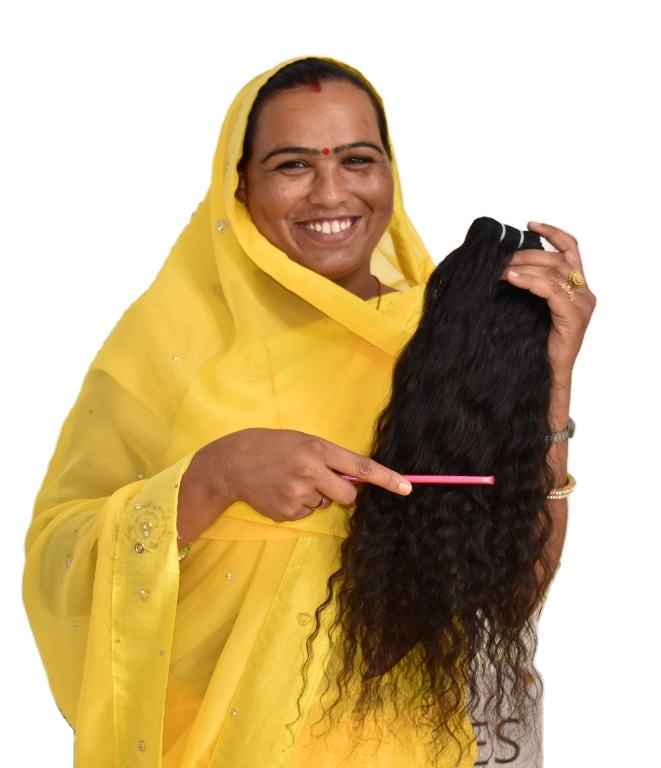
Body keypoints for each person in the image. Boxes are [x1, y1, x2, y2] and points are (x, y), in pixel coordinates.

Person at [22, 57, 595, 767]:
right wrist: (214, 477)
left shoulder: (447, 341)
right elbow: (59, 560)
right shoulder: (169, 341)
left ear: (390, 174)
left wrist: (553, 377)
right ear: (238, 184)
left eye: (358, 160)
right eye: (292, 164)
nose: (331, 192)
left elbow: (514, 589)